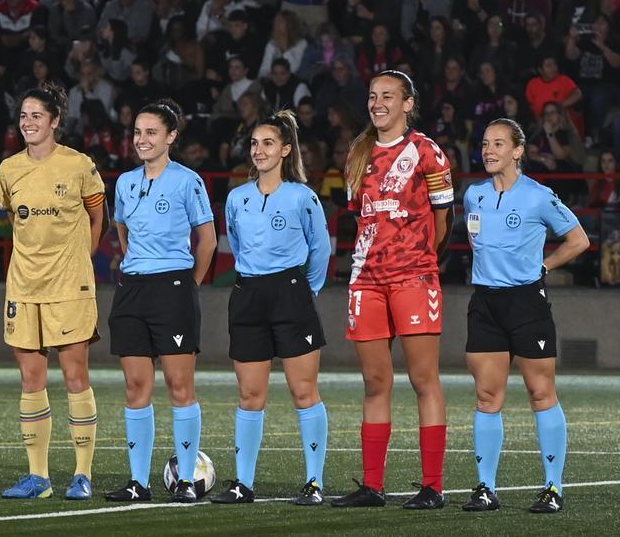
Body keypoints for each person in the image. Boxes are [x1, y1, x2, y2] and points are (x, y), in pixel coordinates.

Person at [332, 70, 455, 509]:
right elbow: (361, 216)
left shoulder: (426, 151)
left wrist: (421, 259)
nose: (378, 103)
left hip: (413, 277)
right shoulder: (358, 154)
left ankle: (433, 486)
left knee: (424, 380)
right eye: (372, 96)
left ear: (408, 103)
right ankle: (372, 486)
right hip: (366, 280)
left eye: (388, 96)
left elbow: (444, 218)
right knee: (374, 381)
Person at [462, 117, 590, 514]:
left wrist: (545, 268)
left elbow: (579, 239)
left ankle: (553, 488)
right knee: (487, 396)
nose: (489, 150)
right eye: (486, 143)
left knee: (540, 392)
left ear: (518, 151)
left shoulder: (538, 195)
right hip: (484, 303)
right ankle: (486, 488)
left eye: (499, 144)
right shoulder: (473, 195)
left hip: (526, 304)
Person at [211, 111, 331, 506]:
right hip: (248, 297)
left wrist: (303, 290)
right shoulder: (237, 197)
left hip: (291, 294)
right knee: (249, 395)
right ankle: (243, 483)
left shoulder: (302, 196)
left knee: (303, 391)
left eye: (267, 143)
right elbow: (239, 246)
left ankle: (314, 482)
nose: (258, 150)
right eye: (254, 143)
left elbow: (321, 250)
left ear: (285, 149)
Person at [0, 84, 108, 501]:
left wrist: (82, 259)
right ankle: (38, 477)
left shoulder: (78, 165)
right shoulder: (8, 169)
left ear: (55, 120)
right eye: (23, 116)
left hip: (69, 286)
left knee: (76, 376)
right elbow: (15, 220)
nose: (28, 123)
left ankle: (82, 474)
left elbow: (100, 217)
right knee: (31, 378)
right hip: (23, 285)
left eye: (37, 116)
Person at [104, 99, 217, 504]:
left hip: (173, 289)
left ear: (171, 137)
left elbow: (207, 240)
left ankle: (186, 479)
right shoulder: (124, 182)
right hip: (132, 289)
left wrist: (189, 285)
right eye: (137, 132)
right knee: (136, 386)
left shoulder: (188, 181)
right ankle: (139, 482)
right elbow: (122, 229)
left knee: (179, 385)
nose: (142, 140)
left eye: (152, 132)